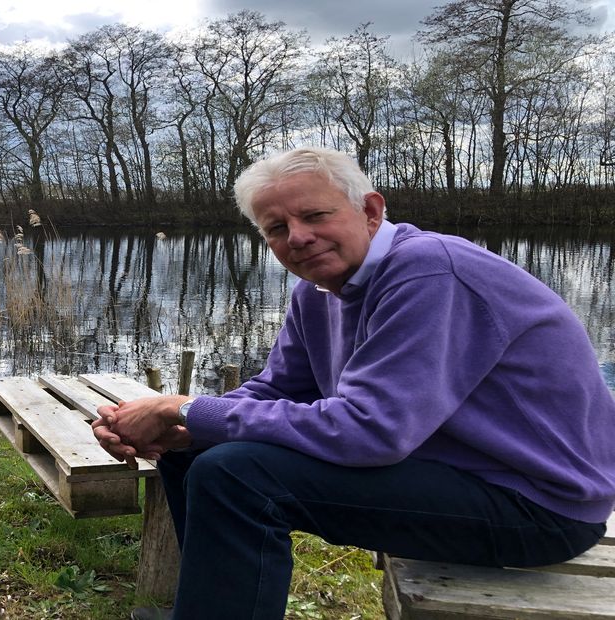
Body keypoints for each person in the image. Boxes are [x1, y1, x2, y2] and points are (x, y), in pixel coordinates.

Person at [92, 147, 615, 620]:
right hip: (452, 470)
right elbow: (278, 390)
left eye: (315, 215)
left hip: (537, 503)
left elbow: (371, 432)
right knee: (196, 452)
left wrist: (184, 409)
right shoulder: (319, 289)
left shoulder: (431, 272)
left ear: (370, 211)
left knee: (237, 475)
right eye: (276, 228)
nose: (297, 237)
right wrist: (174, 423)